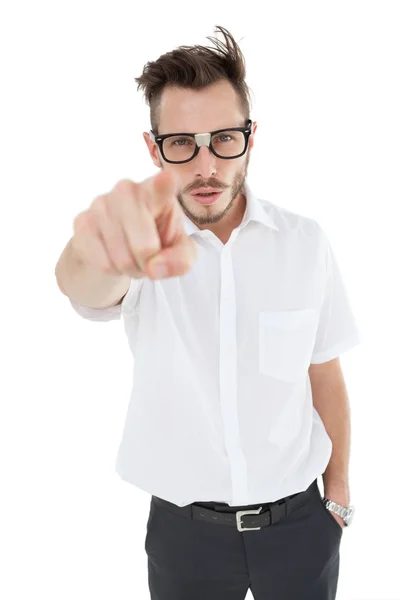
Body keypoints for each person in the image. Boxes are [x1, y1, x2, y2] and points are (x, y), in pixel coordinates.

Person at [55, 25, 361, 600]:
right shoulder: (144, 246)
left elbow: (324, 371)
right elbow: (81, 286)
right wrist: (100, 247)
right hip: (184, 537)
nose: (206, 165)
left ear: (250, 138)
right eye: (181, 143)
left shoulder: (304, 242)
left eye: (224, 138)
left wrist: (337, 493)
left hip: (301, 526)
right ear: (154, 148)